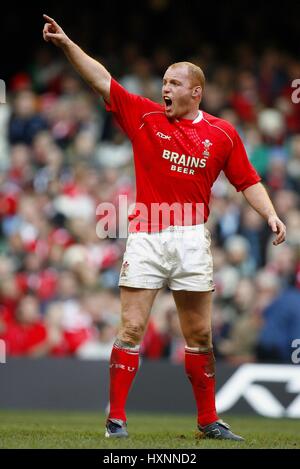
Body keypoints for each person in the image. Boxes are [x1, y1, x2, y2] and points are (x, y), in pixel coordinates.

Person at [43, 15, 286, 441]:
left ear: (196, 92)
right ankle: (115, 419)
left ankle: (207, 421)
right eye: (163, 82)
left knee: (199, 336)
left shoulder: (222, 134)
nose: (164, 89)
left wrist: (270, 214)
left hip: (192, 237)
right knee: (132, 328)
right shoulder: (144, 115)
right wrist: (67, 45)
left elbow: (248, 180)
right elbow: (103, 80)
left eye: (174, 83)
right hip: (148, 234)